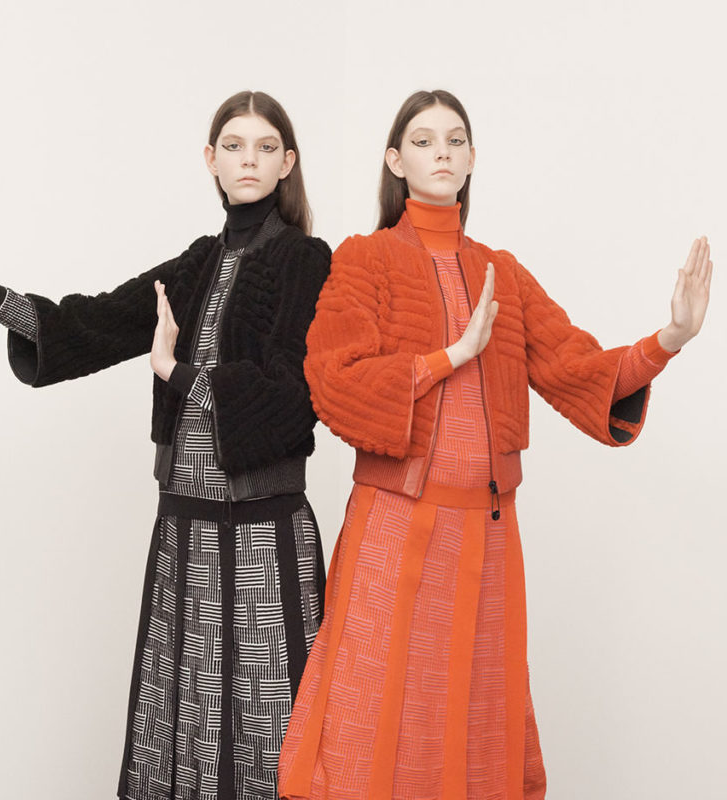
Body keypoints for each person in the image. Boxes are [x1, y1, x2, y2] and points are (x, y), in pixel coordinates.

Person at [277, 89, 712, 800]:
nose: (442, 152)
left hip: (485, 534)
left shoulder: (501, 272)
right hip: (391, 525)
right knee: (375, 711)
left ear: (473, 158)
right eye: (423, 140)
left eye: (455, 140)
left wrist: (670, 339)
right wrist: (450, 356)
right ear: (395, 160)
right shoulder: (365, 259)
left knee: (477, 716)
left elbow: (576, 367)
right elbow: (333, 380)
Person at [0, 90, 331, 800]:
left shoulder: (306, 260)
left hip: (264, 531)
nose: (249, 160)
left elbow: (292, 394)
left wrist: (178, 372)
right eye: (234, 146)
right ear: (210, 160)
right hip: (185, 526)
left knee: (270, 731)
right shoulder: (194, 263)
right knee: (183, 727)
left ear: (288, 163)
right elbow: (91, 325)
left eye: (265, 147)